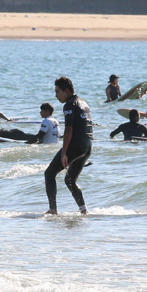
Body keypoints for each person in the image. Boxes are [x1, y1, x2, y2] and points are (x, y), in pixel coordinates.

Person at [46, 76, 93, 214]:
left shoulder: (69, 104)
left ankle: (53, 210)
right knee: (70, 180)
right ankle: (84, 210)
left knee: (49, 173)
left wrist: (64, 153)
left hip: (76, 144)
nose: (56, 95)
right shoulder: (83, 102)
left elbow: (68, 129)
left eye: (57, 92)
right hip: (88, 145)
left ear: (66, 90)